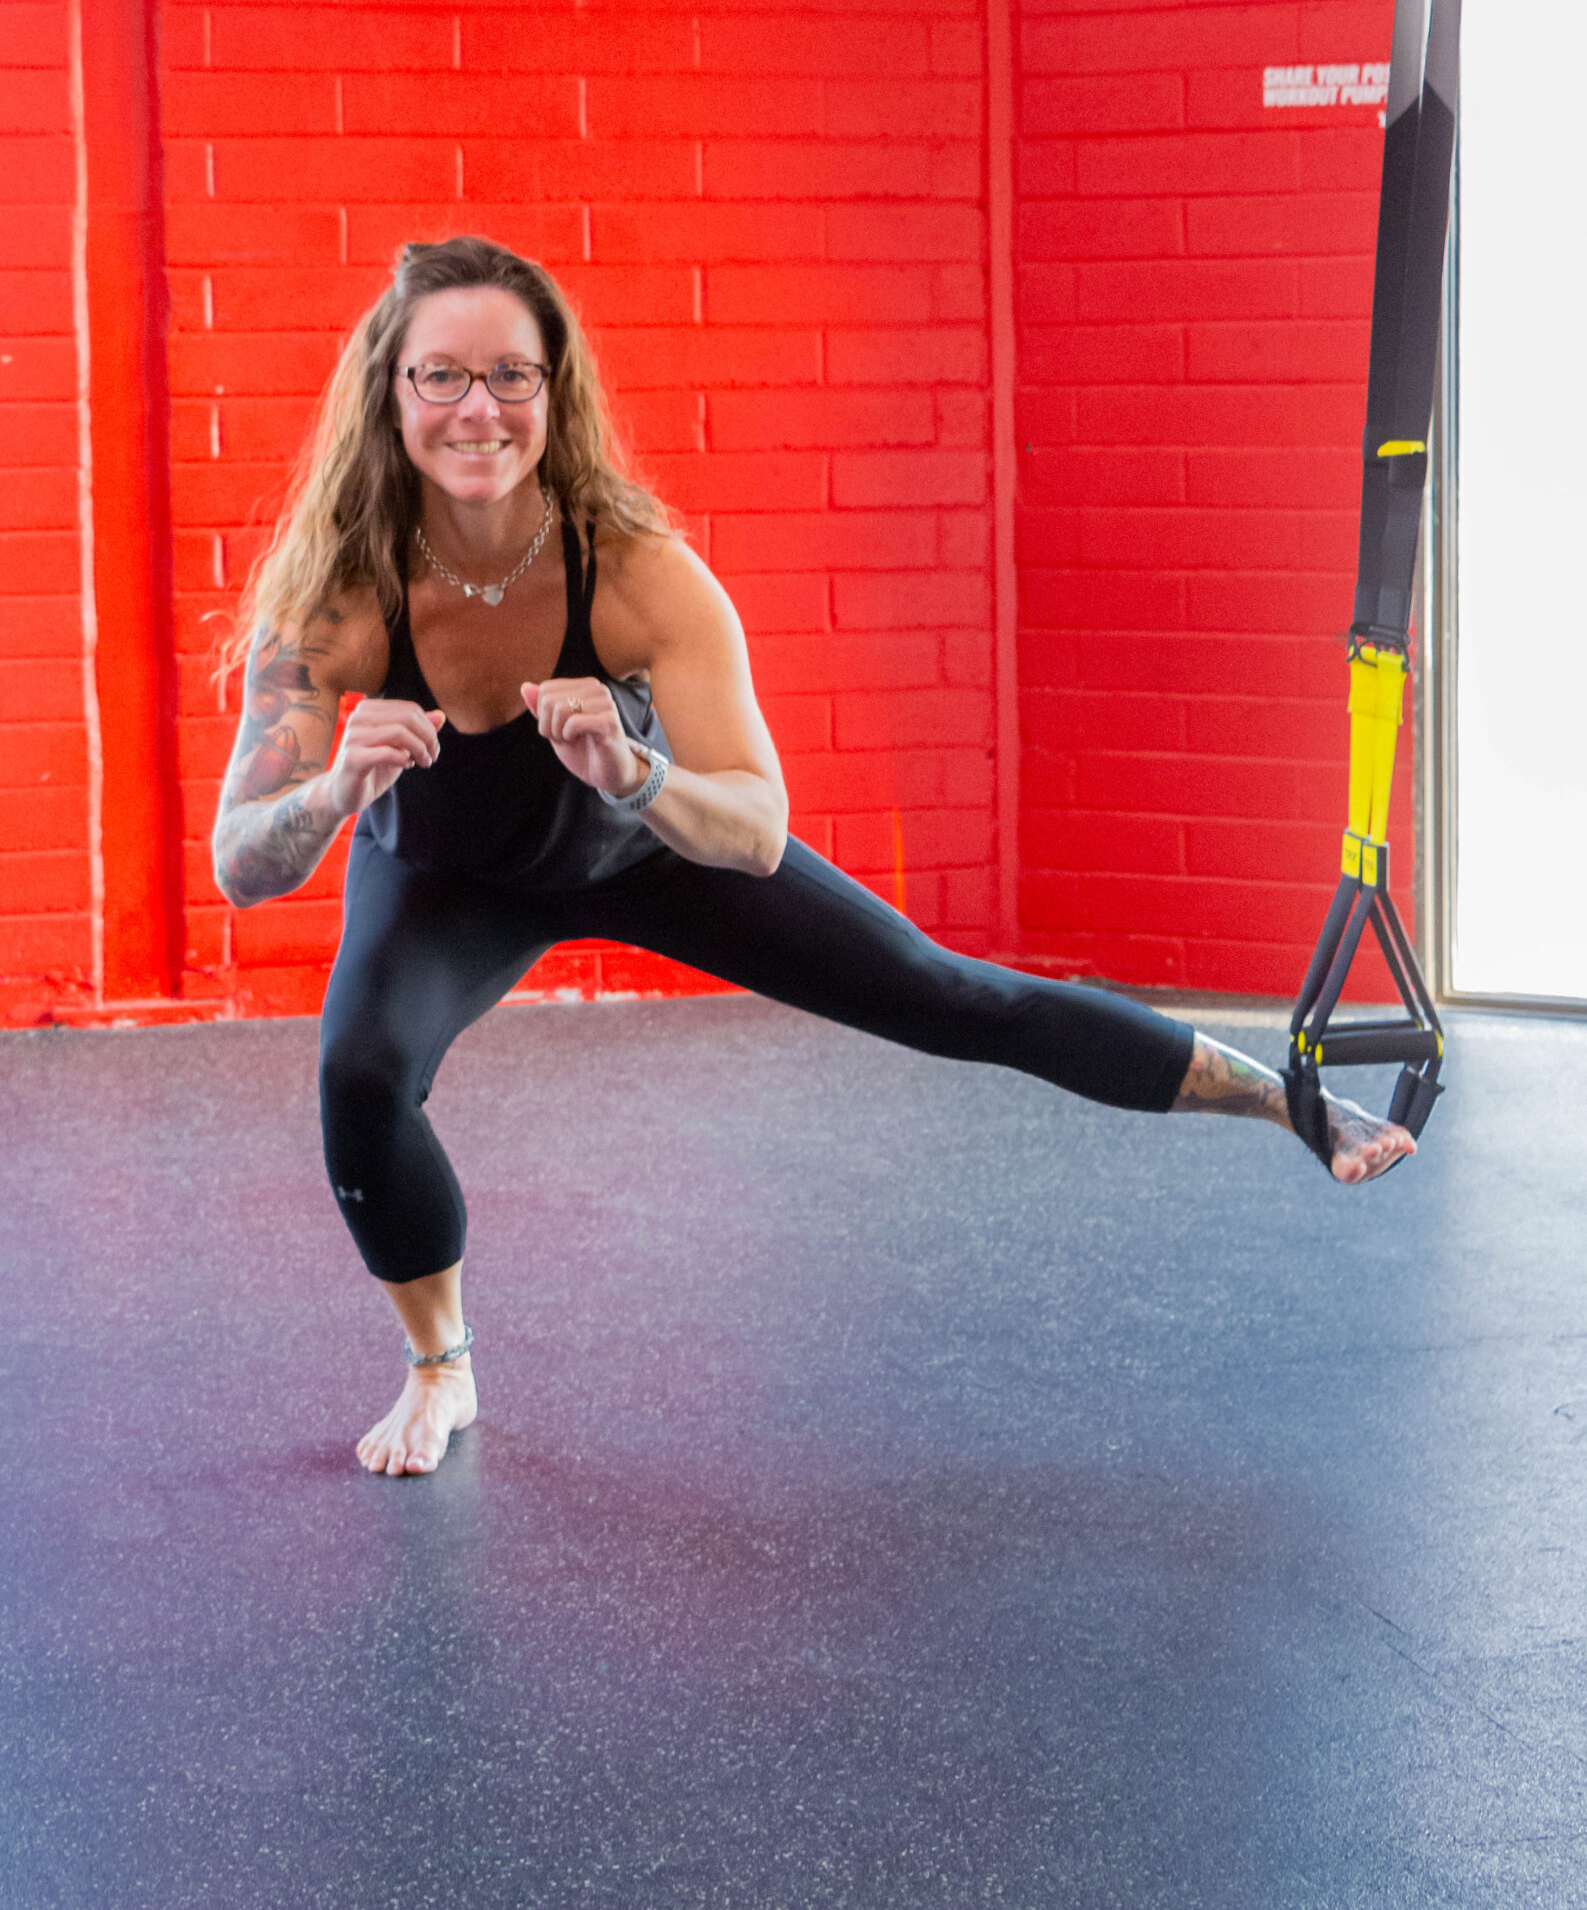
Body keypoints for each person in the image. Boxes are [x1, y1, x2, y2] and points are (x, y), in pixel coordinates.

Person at [212, 235, 1414, 1480]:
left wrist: (640, 775)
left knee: (952, 995)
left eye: (511, 375)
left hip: (645, 843)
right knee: (361, 1072)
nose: (479, 409)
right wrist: (343, 786)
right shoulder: (337, 600)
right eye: (441, 377)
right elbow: (243, 863)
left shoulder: (636, 574)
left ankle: (1291, 1100)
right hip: (446, 876)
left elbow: (757, 825)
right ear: (390, 393)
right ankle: (439, 1364)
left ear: (555, 393)